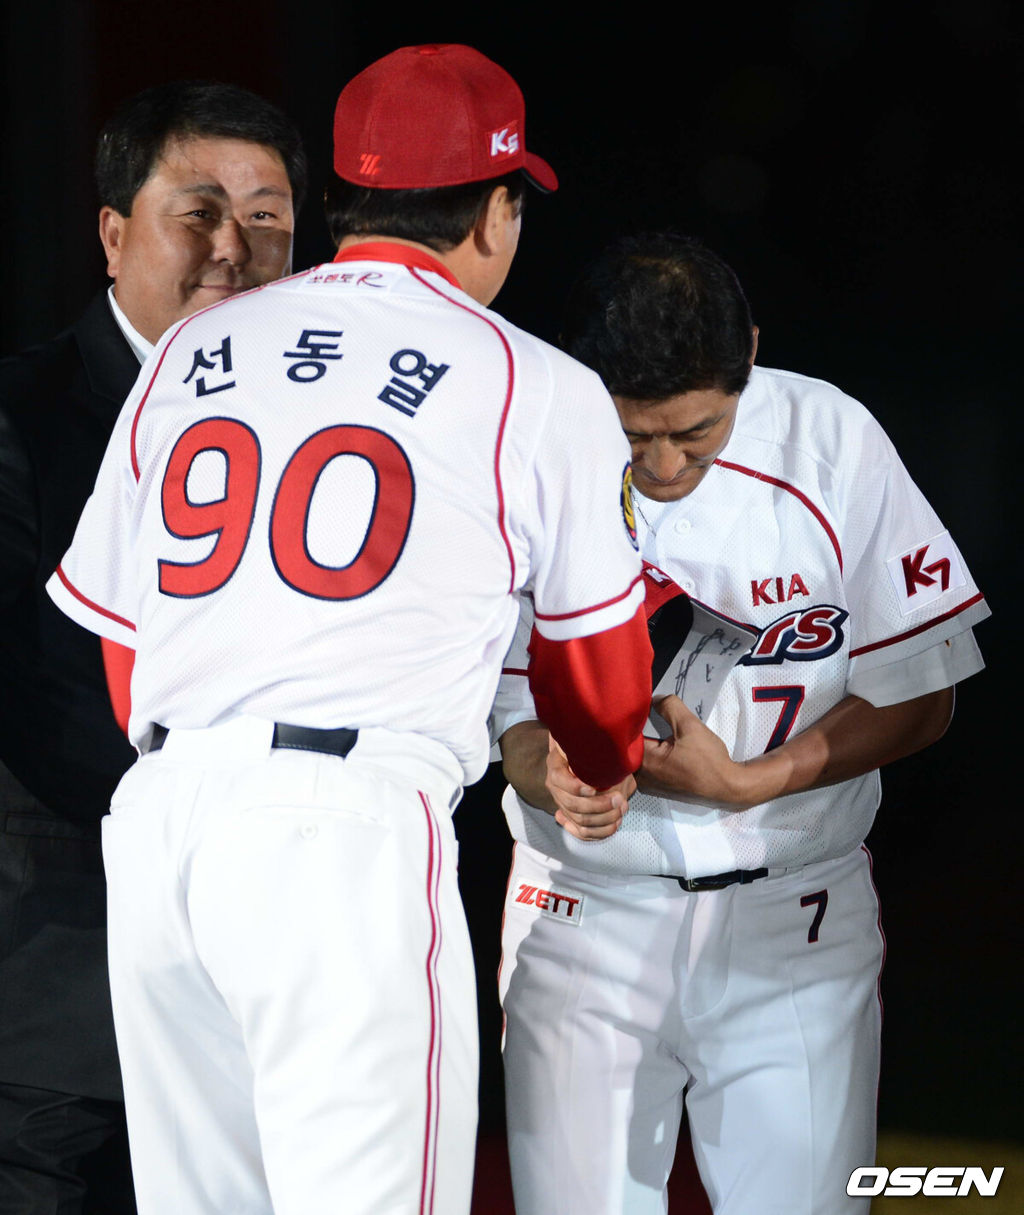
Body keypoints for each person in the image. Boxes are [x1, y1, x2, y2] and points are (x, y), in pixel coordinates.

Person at [45, 44, 653, 1215]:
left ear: (341, 204)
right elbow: (599, 673)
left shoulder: (191, 351)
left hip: (167, 825)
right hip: (344, 831)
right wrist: (600, 761)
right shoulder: (530, 380)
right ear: (492, 210)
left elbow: (127, 652)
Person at [494, 231, 990, 1214]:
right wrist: (547, 769)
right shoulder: (525, 446)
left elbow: (925, 690)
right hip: (580, 911)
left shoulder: (829, 437)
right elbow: (503, 708)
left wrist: (753, 782)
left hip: (792, 916)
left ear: (749, 358)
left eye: (698, 430)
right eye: (638, 437)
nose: (668, 462)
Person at [0, 80, 306, 1213]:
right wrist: (210, 815)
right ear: (114, 232)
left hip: (271, 988)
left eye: (269, 216)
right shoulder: (22, 413)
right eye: (200, 211)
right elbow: (33, 690)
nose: (235, 248)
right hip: (62, 991)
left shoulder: (339, 431)